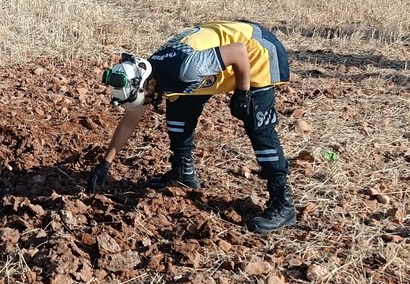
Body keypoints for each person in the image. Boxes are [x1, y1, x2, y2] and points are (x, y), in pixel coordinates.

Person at [86, 21, 297, 234]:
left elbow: (239, 51)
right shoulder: (151, 73)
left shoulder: (187, 69)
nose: (146, 103)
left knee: (258, 125)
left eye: (144, 98)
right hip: (219, 60)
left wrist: (242, 93)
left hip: (255, 51)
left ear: (149, 85)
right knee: (178, 108)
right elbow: (130, 120)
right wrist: (106, 163)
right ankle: (183, 174)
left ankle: (283, 203)